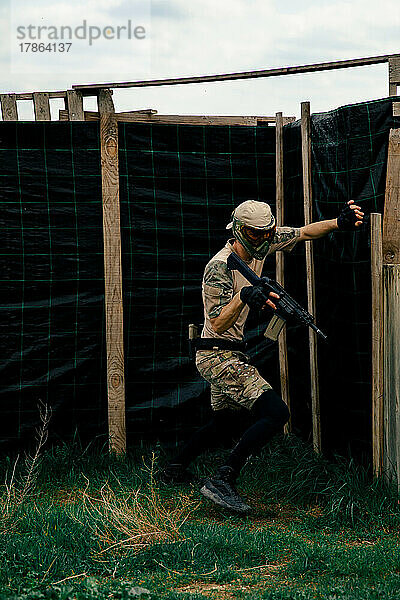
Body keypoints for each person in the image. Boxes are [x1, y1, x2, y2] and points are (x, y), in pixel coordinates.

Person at [160, 199, 364, 514]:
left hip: (230, 351)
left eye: (266, 233)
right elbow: (217, 322)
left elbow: (304, 233)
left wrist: (339, 223)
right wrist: (244, 296)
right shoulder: (220, 265)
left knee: (225, 423)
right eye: (256, 234)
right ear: (239, 230)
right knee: (276, 413)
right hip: (216, 354)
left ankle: (173, 469)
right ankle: (223, 479)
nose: (263, 239)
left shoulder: (262, 245)